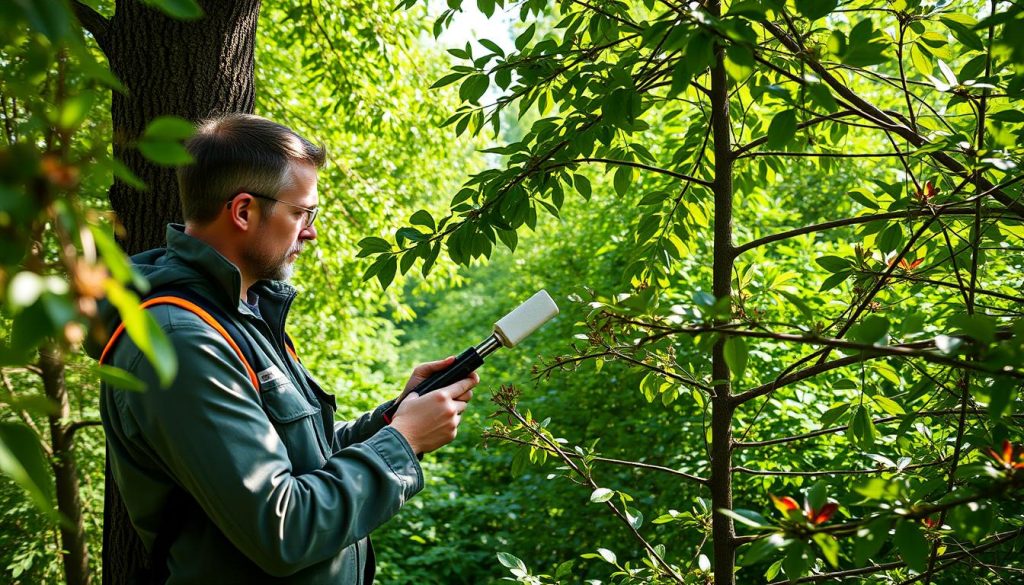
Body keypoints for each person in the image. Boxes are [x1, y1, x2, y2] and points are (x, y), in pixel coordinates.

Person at [88, 113, 477, 583]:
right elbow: (283, 528)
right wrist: (405, 442)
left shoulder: (242, 316)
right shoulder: (181, 342)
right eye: (301, 214)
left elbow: (306, 463)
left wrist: (394, 418)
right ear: (244, 211)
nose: (310, 232)